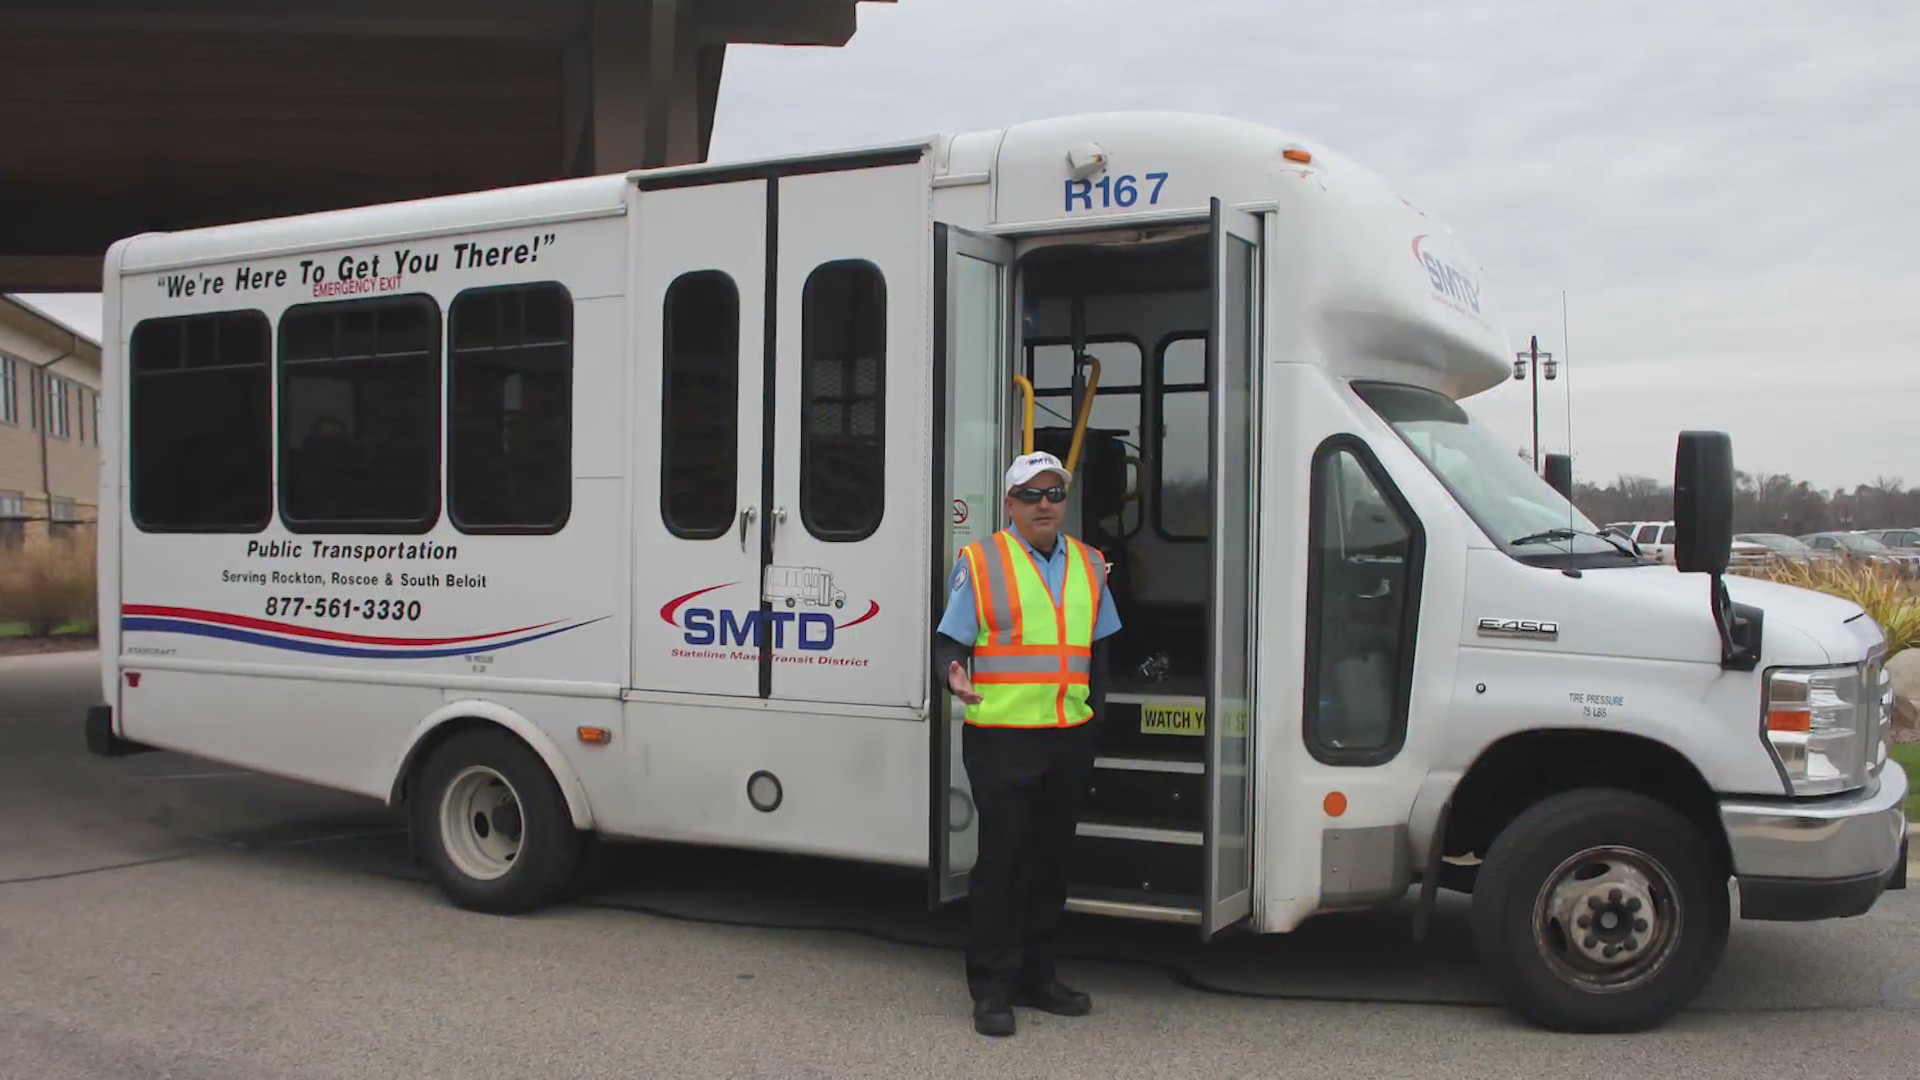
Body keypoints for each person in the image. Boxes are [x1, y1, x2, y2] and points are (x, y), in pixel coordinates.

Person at [933, 450, 1122, 1037]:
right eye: (1032, 495)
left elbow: (1101, 650)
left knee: (1051, 866)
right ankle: (991, 989)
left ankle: (1038, 980)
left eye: (1055, 494)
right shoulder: (982, 561)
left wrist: (1096, 718)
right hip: (1003, 739)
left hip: (1067, 737)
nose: (1045, 504)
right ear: (1010, 504)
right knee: (1003, 866)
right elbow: (948, 641)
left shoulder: (1092, 565)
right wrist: (953, 674)